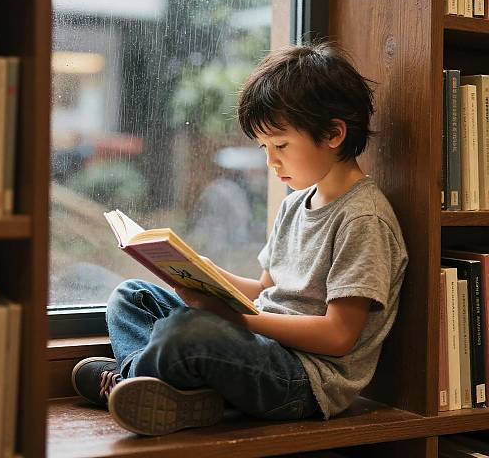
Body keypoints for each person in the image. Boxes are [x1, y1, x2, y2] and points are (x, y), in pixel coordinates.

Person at [71, 42, 408, 436]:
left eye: (281, 145)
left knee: (191, 332)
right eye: (265, 147)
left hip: (303, 381)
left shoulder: (363, 218)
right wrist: (204, 274)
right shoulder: (297, 202)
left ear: (333, 133)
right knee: (132, 297)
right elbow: (267, 288)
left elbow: (338, 336)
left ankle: (128, 381)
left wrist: (236, 318)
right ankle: (166, 392)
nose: (271, 161)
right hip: (261, 349)